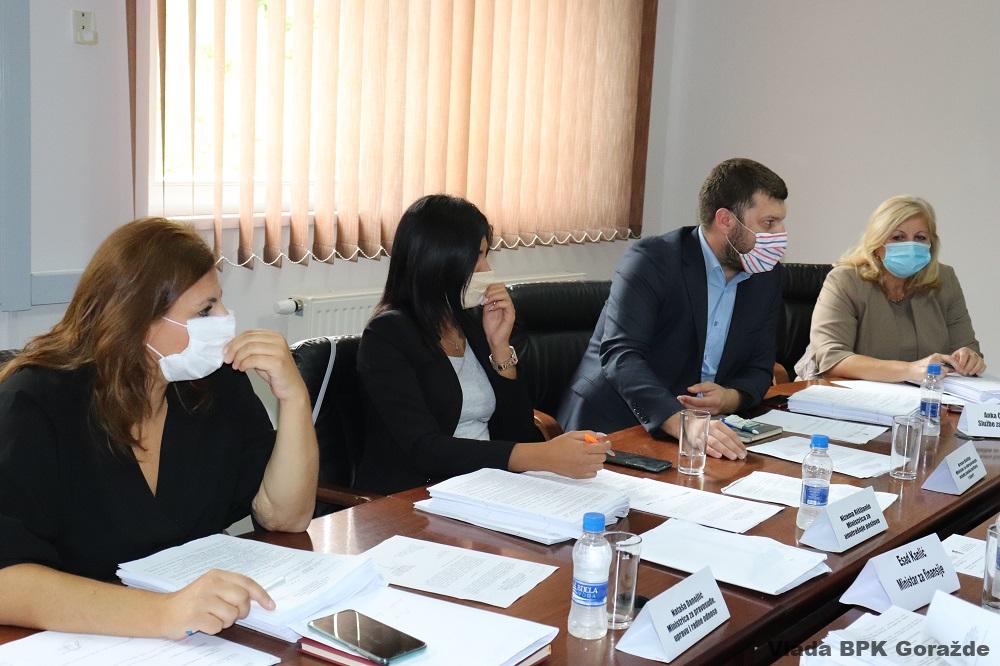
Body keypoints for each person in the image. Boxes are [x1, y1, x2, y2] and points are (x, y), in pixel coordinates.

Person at [0, 218, 318, 638]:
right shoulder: (37, 402)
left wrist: (294, 398)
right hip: (75, 637)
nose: (224, 320)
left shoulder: (213, 382)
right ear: (136, 319)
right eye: (204, 310)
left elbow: (284, 517)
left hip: (198, 635)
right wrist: (165, 613)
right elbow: (6, 582)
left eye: (219, 304)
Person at [355, 195, 610, 495]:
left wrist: (500, 347)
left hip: (487, 485)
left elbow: (518, 433)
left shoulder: (471, 322)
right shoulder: (387, 335)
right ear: (439, 260)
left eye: (486, 255)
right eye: (477, 256)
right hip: (420, 495)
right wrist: (542, 455)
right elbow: (424, 449)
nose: (486, 268)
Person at [558, 158, 789, 460]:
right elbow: (621, 355)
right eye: (769, 223)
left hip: (702, 433)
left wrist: (729, 398)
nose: (780, 233)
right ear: (725, 220)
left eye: (781, 222)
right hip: (614, 425)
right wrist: (681, 422)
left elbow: (760, 365)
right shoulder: (653, 259)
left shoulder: (767, 276)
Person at [796, 195, 984, 382]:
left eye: (920, 238)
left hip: (922, 394)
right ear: (877, 244)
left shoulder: (944, 279)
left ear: (931, 245)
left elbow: (967, 347)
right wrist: (908, 370)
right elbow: (832, 359)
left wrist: (969, 358)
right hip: (846, 392)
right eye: (898, 237)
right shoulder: (845, 280)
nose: (910, 246)